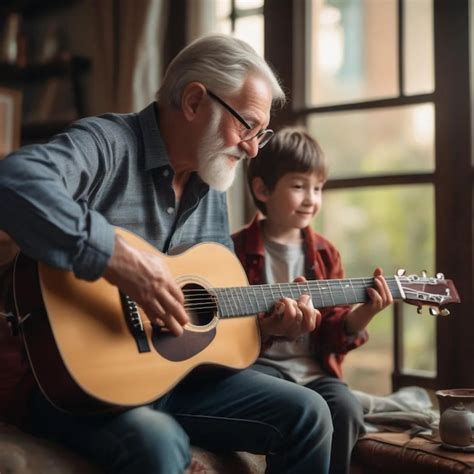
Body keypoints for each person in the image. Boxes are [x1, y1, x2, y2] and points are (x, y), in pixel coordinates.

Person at [0, 35, 334, 474]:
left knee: (311, 413)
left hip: (175, 381)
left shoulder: (212, 181)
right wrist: (115, 257)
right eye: (247, 126)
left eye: (261, 133)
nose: (254, 148)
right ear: (195, 101)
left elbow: (207, 306)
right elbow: (14, 182)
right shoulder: (106, 143)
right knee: (158, 442)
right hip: (73, 386)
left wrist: (265, 326)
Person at [231, 127, 394, 474]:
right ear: (262, 189)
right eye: (298, 185)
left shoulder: (324, 253)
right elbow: (226, 331)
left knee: (346, 407)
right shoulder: (234, 250)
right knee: (290, 406)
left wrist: (365, 312)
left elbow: (335, 331)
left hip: (314, 371)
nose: (311, 198)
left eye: (317, 188)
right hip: (260, 368)